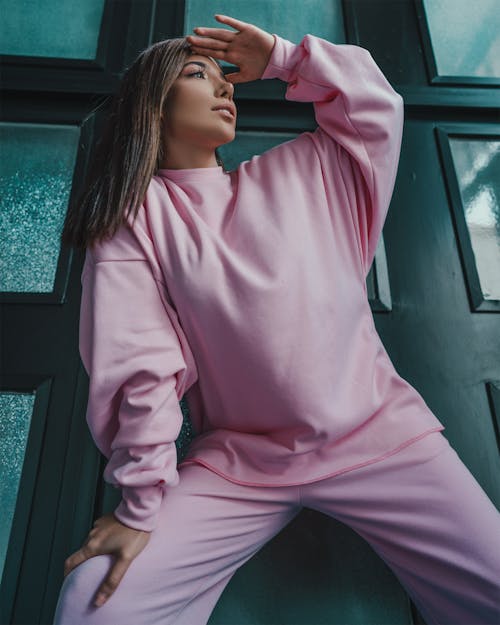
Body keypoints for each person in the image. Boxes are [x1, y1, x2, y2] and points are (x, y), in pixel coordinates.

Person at [53, 13, 500, 625]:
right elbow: (140, 365)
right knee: (91, 601)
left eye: (225, 77)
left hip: (379, 437)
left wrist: (288, 59)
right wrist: (138, 505)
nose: (224, 88)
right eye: (196, 74)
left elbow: (374, 103)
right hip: (240, 462)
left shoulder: (311, 171)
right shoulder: (140, 217)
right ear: (150, 106)